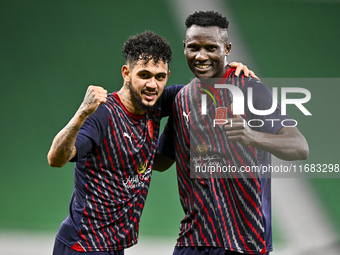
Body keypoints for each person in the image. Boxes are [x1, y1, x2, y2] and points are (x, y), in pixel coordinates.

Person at [47, 30, 254, 255]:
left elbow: (202, 91)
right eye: (144, 75)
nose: (152, 84)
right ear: (126, 73)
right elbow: (56, 159)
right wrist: (81, 114)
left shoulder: (157, 102)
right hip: (83, 245)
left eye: (160, 76)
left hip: (112, 246)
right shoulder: (102, 115)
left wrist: (228, 73)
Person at [155, 11, 309, 255]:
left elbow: (300, 147)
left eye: (211, 48)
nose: (201, 56)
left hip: (245, 243)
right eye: (193, 47)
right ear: (184, 47)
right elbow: (161, 162)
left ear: (227, 49)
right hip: (194, 241)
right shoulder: (181, 99)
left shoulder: (249, 89)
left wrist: (252, 136)